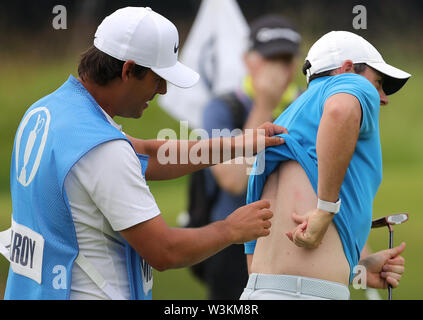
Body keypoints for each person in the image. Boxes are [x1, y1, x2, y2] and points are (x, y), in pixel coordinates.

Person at [2, 7, 287, 300]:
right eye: (158, 78)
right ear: (128, 70)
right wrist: (231, 229)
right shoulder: (104, 151)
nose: (163, 90)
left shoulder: (47, 111)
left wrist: (239, 143)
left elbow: (149, 152)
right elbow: (165, 251)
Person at [241, 31, 410, 300]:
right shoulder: (351, 85)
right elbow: (341, 111)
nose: (383, 97)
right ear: (347, 70)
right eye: (378, 83)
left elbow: (265, 270)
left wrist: (358, 271)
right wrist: (326, 209)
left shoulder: (289, 119)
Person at [198, 15, 302, 299]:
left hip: (294, 241)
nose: (278, 68)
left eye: (285, 58)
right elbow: (232, 180)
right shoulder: (221, 108)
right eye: (270, 58)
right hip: (233, 247)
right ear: (248, 61)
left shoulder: (308, 106)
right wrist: (265, 104)